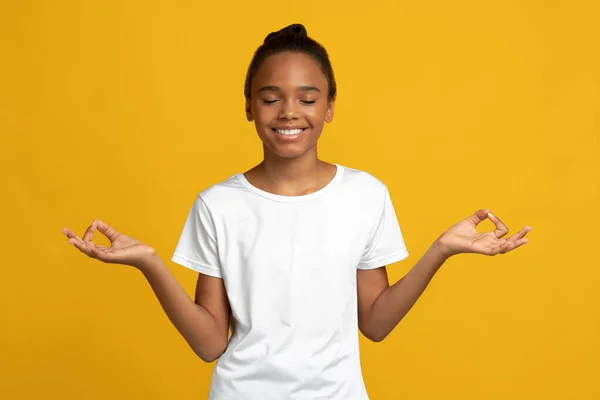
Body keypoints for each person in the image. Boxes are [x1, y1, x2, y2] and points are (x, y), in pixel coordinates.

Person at [62, 24, 532, 400]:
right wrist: (149, 263)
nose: (289, 112)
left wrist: (441, 250)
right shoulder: (219, 204)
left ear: (329, 107)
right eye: (271, 98)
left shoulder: (365, 194)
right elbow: (209, 344)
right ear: (249, 106)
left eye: (307, 99)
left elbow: (376, 323)